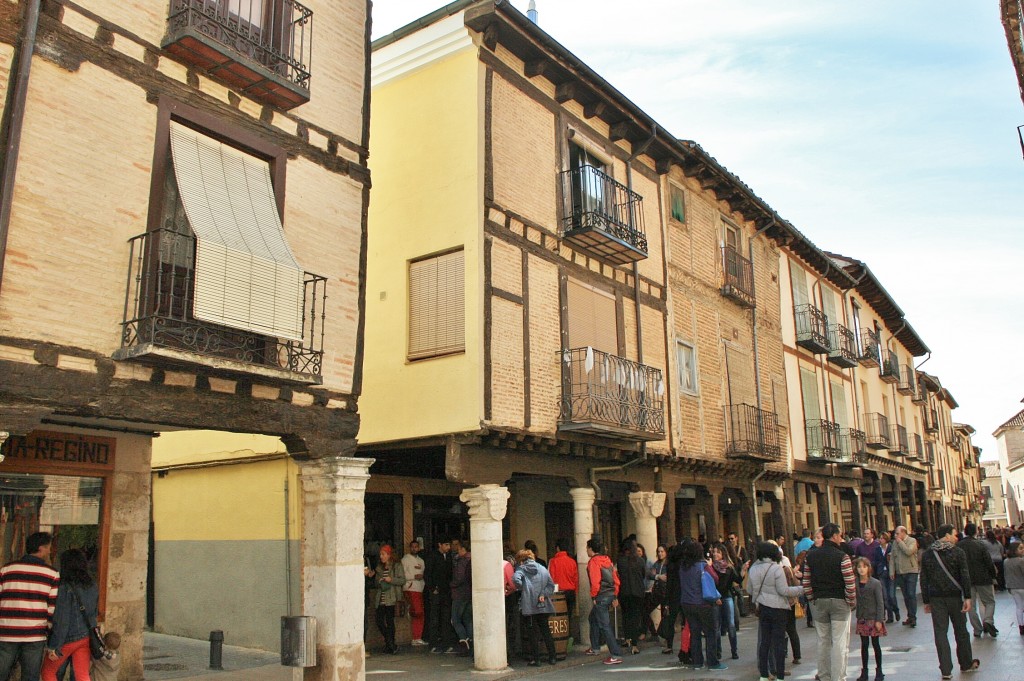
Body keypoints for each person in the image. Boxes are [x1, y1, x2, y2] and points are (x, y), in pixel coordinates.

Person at [920, 523, 978, 679]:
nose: (956, 537)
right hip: (955, 597)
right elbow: (964, 575)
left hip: (936, 598)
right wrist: (967, 597)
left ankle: (946, 670)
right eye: (953, 534)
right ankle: (966, 663)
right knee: (961, 631)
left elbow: (923, 578)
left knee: (940, 633)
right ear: (946, 536)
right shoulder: (958, 552)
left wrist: (926, 600)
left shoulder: (927, 554)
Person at [0, 531, 60, 681]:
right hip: (35, 633)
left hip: (7, 631)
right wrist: (48, 630)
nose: (50, 551)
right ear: (41, 548)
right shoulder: (52, 574)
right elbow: (51, 608)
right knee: (30, 676)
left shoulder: (6, 570)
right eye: (48, 547)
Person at [802, 522, 856, 681]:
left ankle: (824, 675)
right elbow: (850, 582)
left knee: (822, 641)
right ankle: (838, 677)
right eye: (839, 535)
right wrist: (851, 601)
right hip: (839, 601)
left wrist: (812, 599)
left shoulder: (810, 556)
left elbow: (806, 582)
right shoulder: (842, 557)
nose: (841, 538)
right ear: (833, 536)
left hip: (819, 601)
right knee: (840, 642)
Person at [748, 541, 803, 681]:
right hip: (778, 609)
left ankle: (764, 675)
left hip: (763, 608)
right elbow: (783, 590)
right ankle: (779, 675)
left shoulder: (753, 568)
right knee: (778, 643)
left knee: (764, 642)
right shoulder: (776, 568)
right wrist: (802, 589)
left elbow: (749, 589)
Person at [40, 548, 97, 681]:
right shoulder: (92, 585)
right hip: (85, 636)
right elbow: (93, 613)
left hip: (67, 638)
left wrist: (55, 646)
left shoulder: (65, 587)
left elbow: (62, 619)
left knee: (48, 672)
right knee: (82, 675)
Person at [677, 539, 726, 671]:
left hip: (687, 603)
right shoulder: (703, 565)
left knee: (695, 633)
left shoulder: (683, 566)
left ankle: (697, 662)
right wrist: (709, 565)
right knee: (710, 633)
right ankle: (713, 662)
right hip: (703, 603)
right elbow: (715, 578)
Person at [512, 549, 557, 666]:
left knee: (532, 634)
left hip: (529, 606)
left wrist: (523, 588)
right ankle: (552, 657)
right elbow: (550, 585)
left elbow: (515, 579)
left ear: (521, 560)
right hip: (543, 605)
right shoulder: (542, 568)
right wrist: (543, 594)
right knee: (545, 630)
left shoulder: (521, 568)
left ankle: (536, 660)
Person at [584, 537, 622, 665]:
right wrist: (615, 595)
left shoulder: (593, 562)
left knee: (605, 625)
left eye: (587, 548)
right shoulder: (607, 560)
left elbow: (595, 582)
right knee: (593, 618)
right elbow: (616, 580)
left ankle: (615, 654)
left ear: (591, 549)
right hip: (610, 594)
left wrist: (594, 597)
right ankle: (595, 647)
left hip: (601, 596)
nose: (586, 550)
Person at [958, 523, 998, 638]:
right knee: (989, 601)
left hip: (967, 580)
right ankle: (988, 620)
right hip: (983, 578)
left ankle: (977, 629)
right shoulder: (980, 545)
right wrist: (993, 575)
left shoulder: (959, 546)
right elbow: (988, 562)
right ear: (975, 531)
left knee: (971, 605)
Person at [853, 557, 886, 681]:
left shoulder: (875, 583)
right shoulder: (855, 582)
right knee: (864, 645)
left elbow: (880, 602)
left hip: (873, 617)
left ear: (869, 568)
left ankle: (879, 670)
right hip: (862, 617)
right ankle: (865, 671)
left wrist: (879, 619)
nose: (862, 569)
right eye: (859, 567)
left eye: (864, 566)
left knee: (876, 644)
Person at [709, 544, 739, 660]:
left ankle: (734, 651)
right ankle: (718, 652)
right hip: (715, 599)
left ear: (723, 554)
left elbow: (737, 580)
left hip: (727, 597)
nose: (715, 554)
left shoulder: (729, 567)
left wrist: (743, 571)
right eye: (714, 552)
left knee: (731, 625)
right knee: (716, 626)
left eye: (718, 552)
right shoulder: (710, 567)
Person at [424, 538, 455, 654]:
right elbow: (427, 574)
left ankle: (446, 644)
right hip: (436, 592)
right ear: (439, 545)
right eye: (446, 544)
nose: (448, 547)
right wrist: (433, 588)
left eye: (449, 545)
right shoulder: (432, 556)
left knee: (446, 618)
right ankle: (433, 644)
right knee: (434, 618)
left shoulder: (448, 557)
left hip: (446, 591)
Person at [616, 536, 646, 654]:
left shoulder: (621, 561)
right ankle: (634, 644)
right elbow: (643, 575)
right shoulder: (640, 561)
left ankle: (627, 638)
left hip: (624, 592)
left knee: (626, 616)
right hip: (638, 592)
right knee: (635, 617)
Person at [373, 545, 405, 655]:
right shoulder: (379, 567)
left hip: (391, 597)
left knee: (390, 621)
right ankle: (390, 642)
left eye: (383, 554)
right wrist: (379, 581)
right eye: (380, 554)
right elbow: (376, 582)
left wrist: (391, 579)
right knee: (379, 621)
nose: (381, 556)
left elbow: (402, 580)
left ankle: (390, 645)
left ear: (389, 555)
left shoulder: (396, 566)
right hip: (381, 598)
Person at [547, 539, 578, 633]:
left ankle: (561, 636)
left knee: (558, 617)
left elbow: (550, 578)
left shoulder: (553, 561)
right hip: (570, 592)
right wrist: (575, 592)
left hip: (558, 593)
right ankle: (569, 635)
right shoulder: (572, 562)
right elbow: (576, 579)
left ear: (557, 548)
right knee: (569, 615)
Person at [891, 526, 919, 627]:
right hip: (900, 572)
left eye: (897, 533)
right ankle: (910, 616)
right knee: (906, 595)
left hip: (911, 571)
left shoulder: (912, 541)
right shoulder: (895, 543)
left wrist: (900, 543)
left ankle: (913, 617)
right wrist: (892, 571)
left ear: (903, 533)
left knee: (911, 594)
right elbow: (892, 558)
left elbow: (908, 552)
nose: (896, 536)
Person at [401, 540, 427, 645]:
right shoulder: (405, 560)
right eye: (412, 547)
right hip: (410, 587)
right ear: (409, 548)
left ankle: (418, 637)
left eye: (416, 547)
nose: (414, 549)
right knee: (418, 612)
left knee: (420, 613)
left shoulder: (421, 561)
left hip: (420, 588)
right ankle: (416, 637)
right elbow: (401, 575)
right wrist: (413, 577)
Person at [450, 540, 473, 655]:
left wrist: (451, 585)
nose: (457, 551)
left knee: (455, 619)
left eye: (459, 549)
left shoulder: (462, 561)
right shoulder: (473, 560)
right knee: (468, 619)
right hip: (469, 594)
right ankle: (472, 641)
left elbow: (459, 577)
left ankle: (464, 642)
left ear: (464, 550)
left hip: (460, 593)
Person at [877, 531, 899, 623]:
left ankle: (896, 610)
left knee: (891, 595)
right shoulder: (877, 549)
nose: (880, 540)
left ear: (886, 539)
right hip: (882, 573)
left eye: (882, 538)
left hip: (891, 573)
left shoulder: (891, 547)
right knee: (885, 596)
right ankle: (890, 616)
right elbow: (876, 560)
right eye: (880, 538)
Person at [1004, 541, 1024, 635]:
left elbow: (1006, 575)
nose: (1022, 550)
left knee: (1019, 607)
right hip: (1022, 586)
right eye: (1020, 548)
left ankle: (1021, 626)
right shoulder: (1021, 561)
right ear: (1014, 550)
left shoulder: (1006, 561)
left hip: (1013, 587)